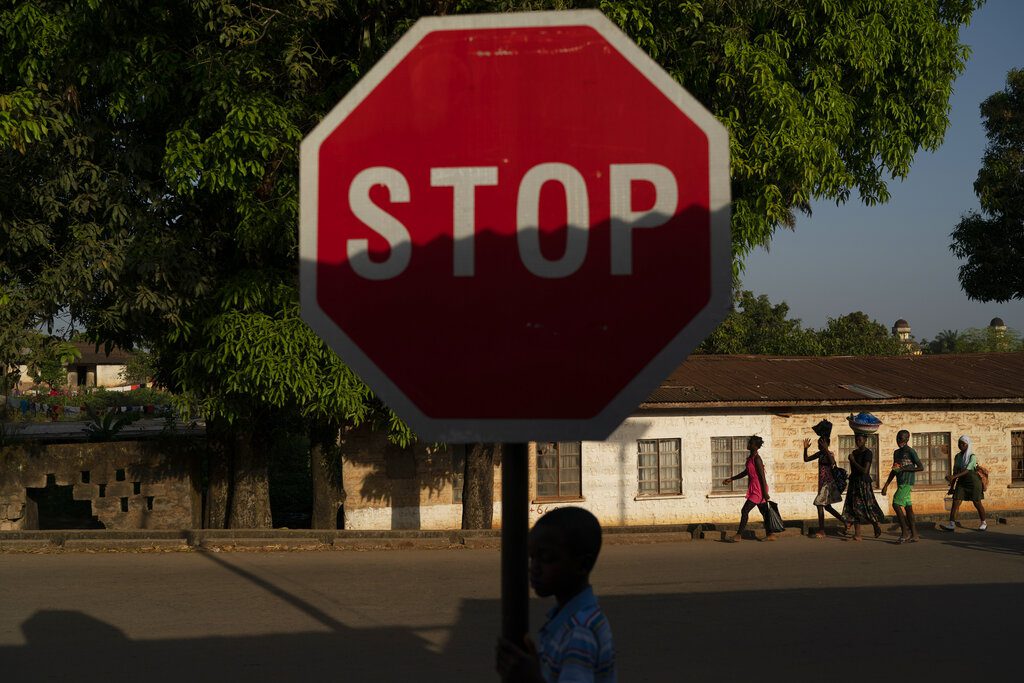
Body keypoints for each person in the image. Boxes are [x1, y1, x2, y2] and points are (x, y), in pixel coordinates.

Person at [496, 507, 616, 683]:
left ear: (581, 565)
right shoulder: (570, 618)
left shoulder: (579, 632)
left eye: (546, 558)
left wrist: (532, 679)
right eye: (532, 557)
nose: (534, 568)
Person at [722, 435, 776, 542]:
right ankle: (770, 534)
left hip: (759, 490)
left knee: (745, 510)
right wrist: (732, 479)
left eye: (750, 443)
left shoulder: (757, 459)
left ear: (755, 446)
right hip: (754, 488)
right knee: (764, 512)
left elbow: (762, 476)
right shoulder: (750, 458)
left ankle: (738, 535)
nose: (748, 445)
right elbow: (746, 472)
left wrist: (765, 492)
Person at [880, 430, 924, 543]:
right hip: (901, 482)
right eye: (898, 438)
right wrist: (886, 485)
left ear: (907, 439)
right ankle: (914, 534)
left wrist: (905, 468)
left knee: (896, 503)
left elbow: (920, 467)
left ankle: (905, 531)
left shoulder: (911, 451)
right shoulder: (896, 453)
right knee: (908, 508)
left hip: (907, 482)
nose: (900, 441)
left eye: (902, 439)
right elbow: (895, 470)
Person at [842, 433, 885, 540]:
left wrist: (853, 460)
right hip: (854, 483)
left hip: (864, 483)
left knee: (867, 507)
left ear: (865, 440)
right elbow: (854, 470)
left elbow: (865, 471)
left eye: (860, 440)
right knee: (854, 508)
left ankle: (875, 524)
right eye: (856, 440)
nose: (858, 442)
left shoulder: (868, 453)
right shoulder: (854, 453)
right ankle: (857, 535)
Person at [803, 436, 848, 538]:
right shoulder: (820, 454)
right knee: (827, 507)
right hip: (822, 484)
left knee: (819, 504)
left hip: (828, 484)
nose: (819, 445)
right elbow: (806, 459)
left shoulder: (829, 453)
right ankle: (845, 521)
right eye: (819, 444)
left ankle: (822, 531)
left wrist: (826, 449)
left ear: (826, 444)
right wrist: (805, 448)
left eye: (821, 443)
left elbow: (832, 463)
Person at [940, 435, 987, 531]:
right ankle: (951, 524)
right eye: (959, 443)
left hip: (973, 482)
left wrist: (954, 477)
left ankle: (983, 522)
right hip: (961, 482)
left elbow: (968, 470)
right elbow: (955, 471)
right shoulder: (957, 457)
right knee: (956, 502)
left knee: (977, 502)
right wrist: (952, 487)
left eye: (963, 443)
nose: (960, 445)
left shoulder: (972, 456)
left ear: (968, 445)